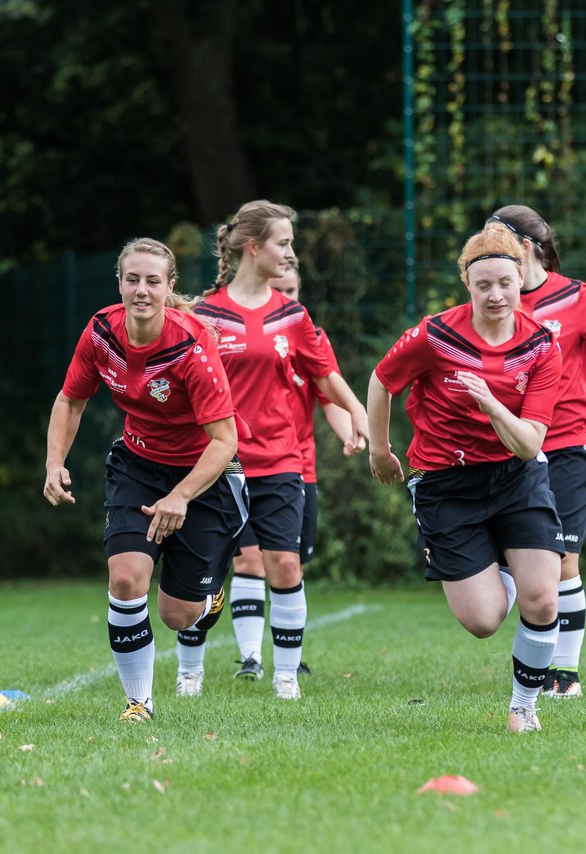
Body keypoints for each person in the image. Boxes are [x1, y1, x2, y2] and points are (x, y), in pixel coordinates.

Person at [368, 224, 565, 733]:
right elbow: (381, 379)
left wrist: (491, 401)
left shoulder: (542, 346)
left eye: (505, 282)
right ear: (468, 285)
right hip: (445, 484)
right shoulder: (436, 335)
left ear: (522, 277)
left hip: (517, 476)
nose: (496, 294)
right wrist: (380, 448)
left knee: (543, 597)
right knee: (483, 621)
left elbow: (529, 444)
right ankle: (498, 564)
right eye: (484, 286)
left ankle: (524, 707)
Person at [43, 237, 248, 723]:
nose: (141, 290)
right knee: (126, 579)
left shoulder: (192, 344)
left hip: (204, 475)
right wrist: (54, 463)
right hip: (137, 465)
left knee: (178, 615)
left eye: (152, 281)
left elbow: (225, 441)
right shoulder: (101, 332)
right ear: (119, 283)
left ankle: (210, 596)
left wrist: (180, 496)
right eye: (132, 280)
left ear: (168, 287)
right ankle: (140, 703)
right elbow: (71, 399)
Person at [190, 200, 369, 701]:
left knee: (285, 566)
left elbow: (324, 374)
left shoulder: (292, 314)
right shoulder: (204, 315)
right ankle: (190, 673)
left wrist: (357, 413)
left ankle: (285, 677)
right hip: (218, 463)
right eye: (284, 243)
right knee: (204, 567)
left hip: (281, 461)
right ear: (254, 247)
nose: (291, 253)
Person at [486, 205, 586, 698]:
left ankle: (565, 675)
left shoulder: (574, 297)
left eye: (496, 241)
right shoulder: (495, 300)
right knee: (517, 564)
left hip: (571, 444)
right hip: (513, 449)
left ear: (525, 248)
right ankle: (535, 659)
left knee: (563, 561)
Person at [228, 260, 354, 681]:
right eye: (278, 289)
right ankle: (251, 658)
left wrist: (349, 432)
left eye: (292, 291)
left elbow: (329, 392)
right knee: (248, 560)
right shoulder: (236, 334)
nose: (284, 299)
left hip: (299, 468)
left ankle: (286, 650)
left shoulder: (309, 336)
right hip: (243, 464)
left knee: (290, 564)